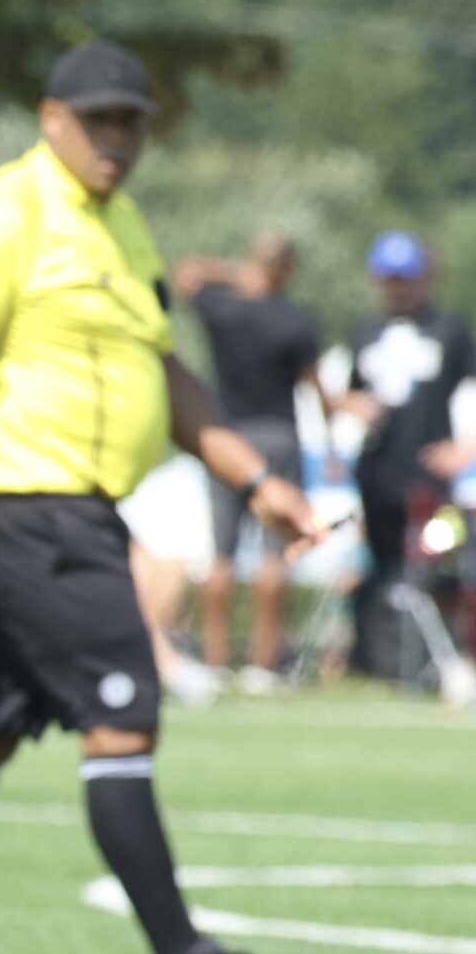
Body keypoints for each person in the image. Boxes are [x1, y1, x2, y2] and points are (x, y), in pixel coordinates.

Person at [0, 39, 323, 954]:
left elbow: (167, 376)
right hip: (28, 514)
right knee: (122, 719)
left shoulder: (123, 230)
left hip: (75, 513)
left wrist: (255, 477)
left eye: (130, 121)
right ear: (50, 118)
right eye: (97, 119)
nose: (115, 138)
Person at [174, 235, 335, 690]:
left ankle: (214, 662)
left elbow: (186, 273)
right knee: (274, 554)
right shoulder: (294, 320)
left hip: (225, 436)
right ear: (287, 270)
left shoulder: (224, 311)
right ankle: (262, 666)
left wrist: (231, 273)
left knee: (220, 554)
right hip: (278, 436)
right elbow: (317, 392)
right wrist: (332, 442)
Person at [337, 231, 476, 679]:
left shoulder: (450, 329)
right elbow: (346, 394)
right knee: (383, 569)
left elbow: (470, 389)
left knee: (437, 563)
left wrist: (465, 447)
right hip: (377, 472)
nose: (398, 287)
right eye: (390, 278)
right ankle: (381, 660)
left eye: (405, 277)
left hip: (429, 475)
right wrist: (350, 407)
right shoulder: (366, 331)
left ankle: (443, 660)